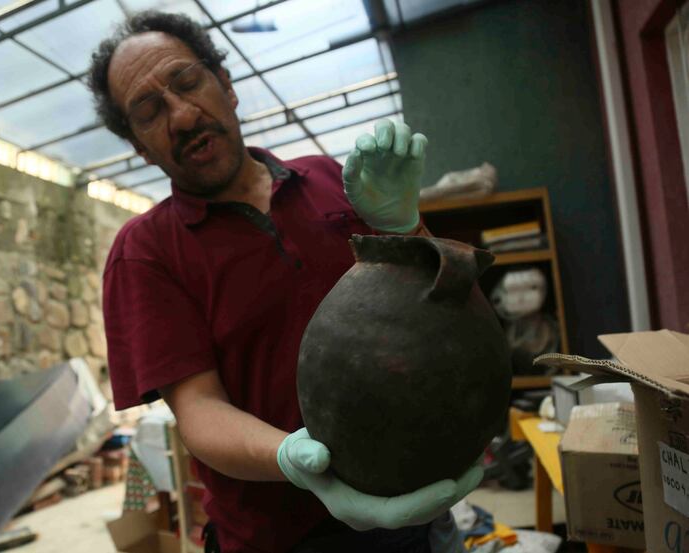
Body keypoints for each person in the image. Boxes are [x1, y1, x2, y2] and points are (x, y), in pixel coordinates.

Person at [90, 10, 482, 553]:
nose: (181, 116)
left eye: (187, 83)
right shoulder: (146, 251)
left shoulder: (328, 179)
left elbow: (437, 309)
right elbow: (198, 409)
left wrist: (405, 226)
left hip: (419, 506)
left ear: (225, 85)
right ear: (138, 146)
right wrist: (297, 463)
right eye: (150, 111)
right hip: (279, 538)